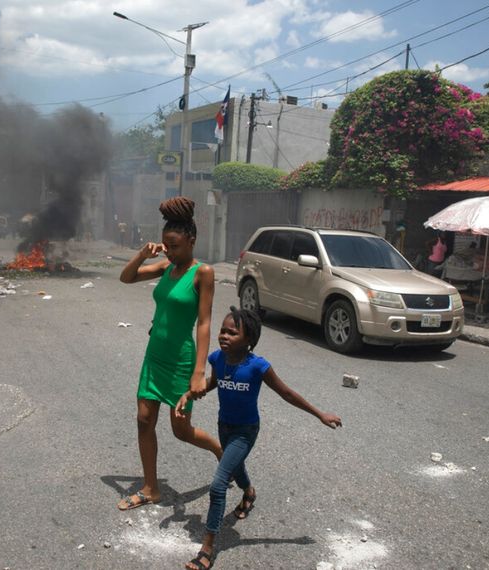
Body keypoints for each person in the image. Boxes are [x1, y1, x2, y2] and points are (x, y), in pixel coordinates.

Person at [176, 307, 342, 570]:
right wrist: (189, 394)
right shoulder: (218, 358)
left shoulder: (258, 367)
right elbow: (213, 382)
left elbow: (286, 393)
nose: (224, 336)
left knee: (219, 484)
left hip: (245, 431)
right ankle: (249, 492)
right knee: (236, 467)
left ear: (249, 339)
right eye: (223, 330)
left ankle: (207, 548)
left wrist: (319, 414)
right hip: (224, 426)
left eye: (233, 332)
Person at [117, 196, 221, 511]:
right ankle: (151, 488)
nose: (170, 252)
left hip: (180, 361)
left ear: (192, 241)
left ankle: (220, 450)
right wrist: (143, 253)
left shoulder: (203, 273)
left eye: (175, 246)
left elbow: (204, 323)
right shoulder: (165, 267)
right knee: (144, 420)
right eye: (165, 245)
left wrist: (199, 372)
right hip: (155, 355)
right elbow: (127, 277)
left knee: (181, 431)